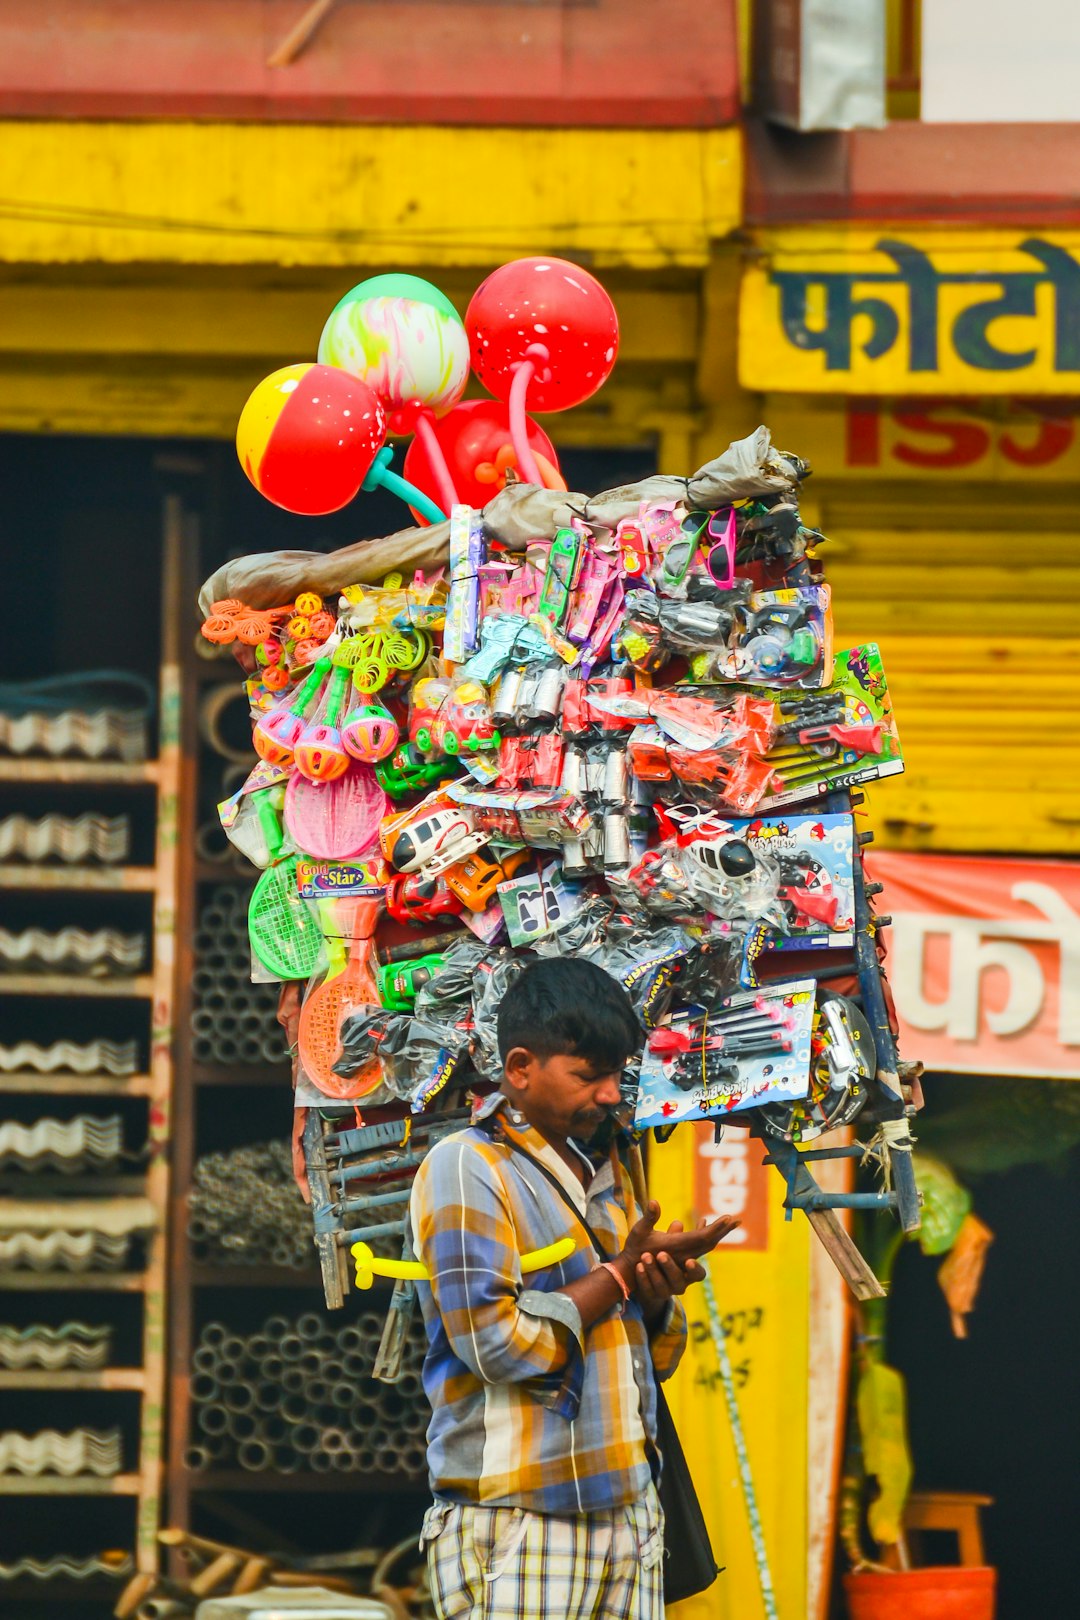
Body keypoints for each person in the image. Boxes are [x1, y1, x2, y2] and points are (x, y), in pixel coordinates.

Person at [410, 956, 737, 1620]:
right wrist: (617, 1273)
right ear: (521, 1068)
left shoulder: (613, 1170)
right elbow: (498, 1347)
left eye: (617, 1075)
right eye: (589, 1076)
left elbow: (658, 1358)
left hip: (630, 1518)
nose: (611, 1094)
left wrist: (651, 1290)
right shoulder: (467, 1167)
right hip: (522, 1525)